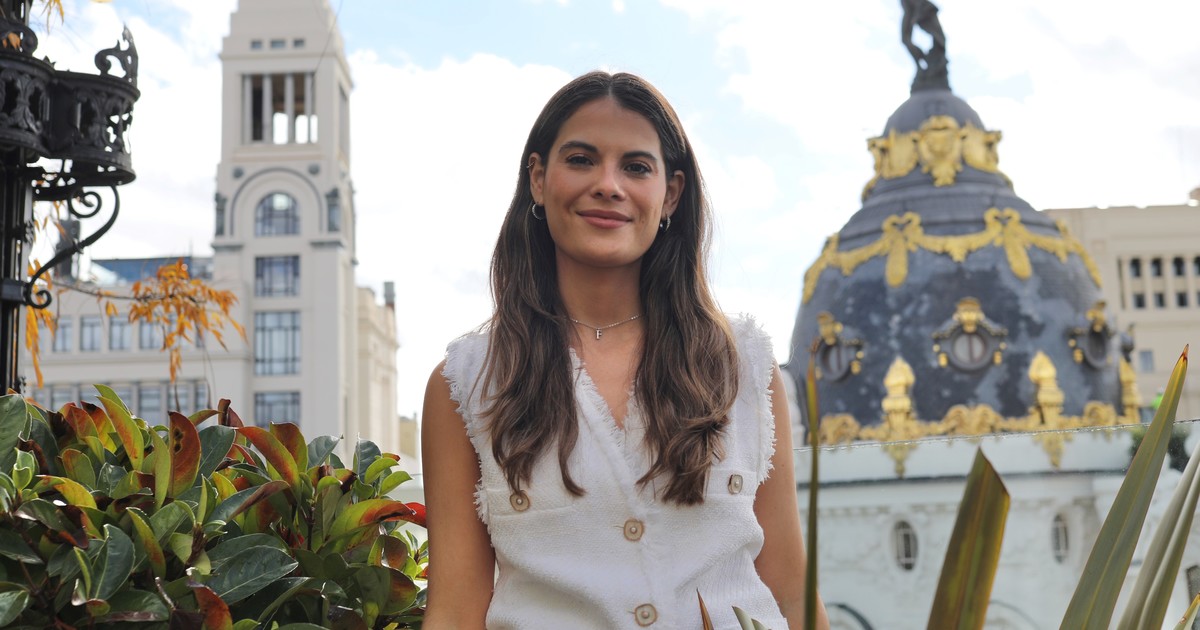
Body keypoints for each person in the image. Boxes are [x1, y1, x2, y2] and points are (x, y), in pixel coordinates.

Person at [421, 71, 829, 630]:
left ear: (671, 194)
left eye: (636, 167)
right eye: (581, 160)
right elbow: (454, 610)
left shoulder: (745, 368)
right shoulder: (467, 383)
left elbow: (790, 590)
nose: (608, 185)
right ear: (538, 178)